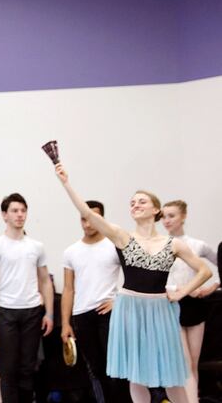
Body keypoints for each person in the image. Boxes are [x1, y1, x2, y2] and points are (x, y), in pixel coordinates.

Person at [53, 162, 211, 403]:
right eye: (132, 203)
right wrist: (66, 183)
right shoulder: (122, 237)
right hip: (130, 308)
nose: (135, 205)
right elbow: (88, 214)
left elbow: (204, 271)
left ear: (156, 209)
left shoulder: (173, 244)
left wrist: (182, 293)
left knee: (170, 372)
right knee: (136, 374)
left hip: (160, 309)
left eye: (141, 201)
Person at [0, 193, 54, 403]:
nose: (20, 214)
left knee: (27, 369)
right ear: (4, 215)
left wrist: (49, 314)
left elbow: (45, 281)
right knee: (8, 370)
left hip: (32, 312)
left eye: (23, 210)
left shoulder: (36, 246)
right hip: (5, 312)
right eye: (14, 210)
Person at [61, 200, 131, 402]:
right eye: (83, 219)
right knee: (96, 369)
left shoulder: (114, 246)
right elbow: (68, 289)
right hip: (81, 316)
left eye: (92, 218)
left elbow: (134, 277)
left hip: (108, 313)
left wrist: (118, 300)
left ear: (101, 219)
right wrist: (65, 323)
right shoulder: (71, 251)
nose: (88, 223)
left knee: (116, 368)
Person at [163, 200, 220, 403]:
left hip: (195, 306)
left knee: (193, 363)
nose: (166, 220)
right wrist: (180, 289)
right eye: (164, 216)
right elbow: (158, 280)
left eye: (171, 216)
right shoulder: (160, 245)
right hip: (172, 305)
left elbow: (218, 263)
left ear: (183, 216)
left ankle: (193, 398)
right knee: (184, 364)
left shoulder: (198, 245)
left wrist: (213, 286)